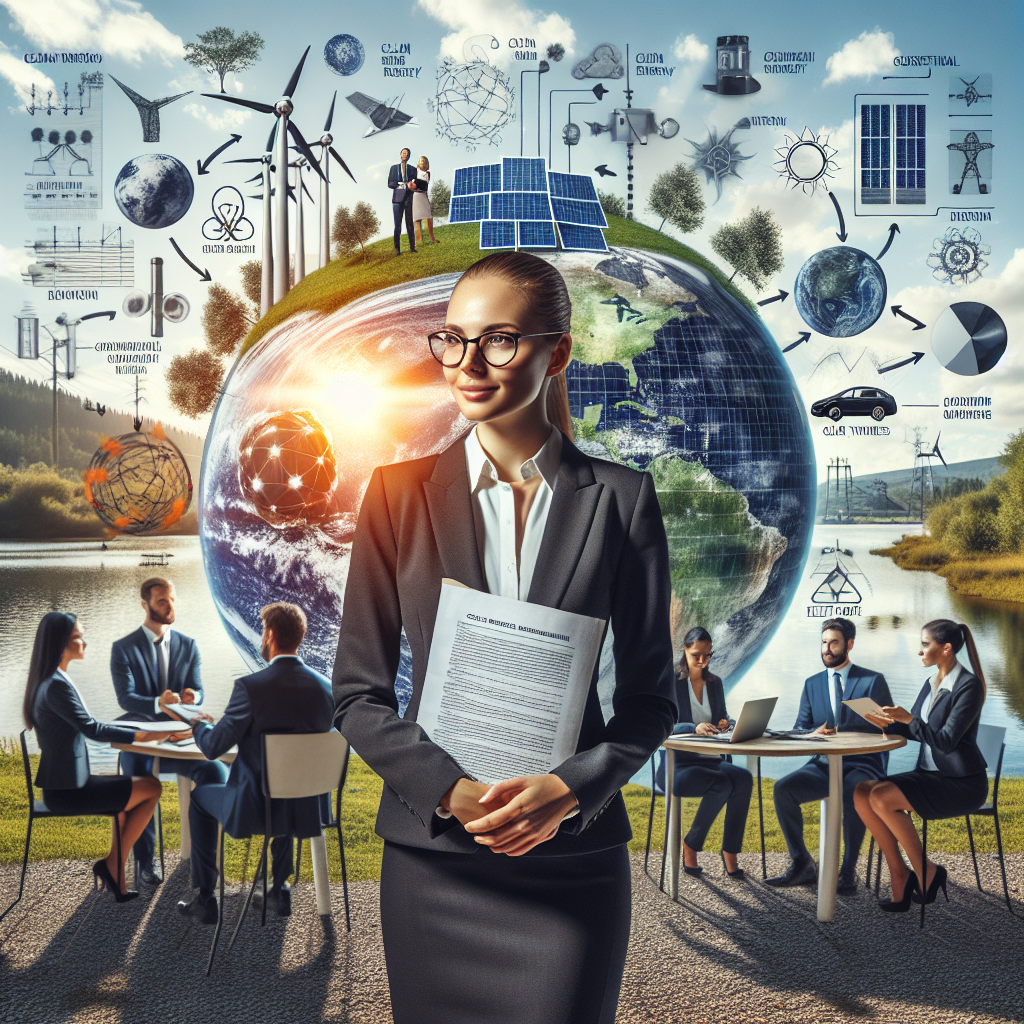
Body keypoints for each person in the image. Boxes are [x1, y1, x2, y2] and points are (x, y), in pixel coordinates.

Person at [333, 251, 677, 1024]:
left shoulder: (623, 501)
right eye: (452, 340)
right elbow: (357, 693)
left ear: (558, 351)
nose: (467, 364)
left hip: (572, 864)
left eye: (499, 340)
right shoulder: (394, 497)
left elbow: (653, 702)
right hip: (436, 863)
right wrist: (449, 791)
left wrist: (571, 790)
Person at [177, 602, 334, 924]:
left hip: (254, 809)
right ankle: (279, 888)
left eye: (263, 631)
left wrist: (198, 726)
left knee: (200, 797)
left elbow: (213, 748)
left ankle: (204, 896)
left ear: (271, 634)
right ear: (300, 637)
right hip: (306, 807)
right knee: (284, 785)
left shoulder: (251, 688)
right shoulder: (326, 689)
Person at [23, 612, 187, 901]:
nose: (84, 641)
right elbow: (93, 729)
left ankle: (114, 871)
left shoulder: (51, 679)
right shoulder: (57, 685)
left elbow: (89, 724)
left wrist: (135, 730)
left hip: (66, 785)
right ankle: (112, 866)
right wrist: (141, 735)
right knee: (152, 788)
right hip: (67, 792)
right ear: (61, 642)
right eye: (78, 636)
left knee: (127, 797)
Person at [854, 619, 989, 911]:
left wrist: (909, 720)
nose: (920, 651)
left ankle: (926, 872)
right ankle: (901, 872)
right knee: (863, 792)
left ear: (946, 648)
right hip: (929, 776)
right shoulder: (931, 684)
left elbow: (945, 741)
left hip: (961, 784)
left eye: (925, 644)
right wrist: (883, 723)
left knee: (880, 796)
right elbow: (916, 731)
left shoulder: (969, 687)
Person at [110, 577, 228, 885]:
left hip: (182, 741)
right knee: (137, 774)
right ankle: (146, 863)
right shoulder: (123, 648)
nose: (170, 606)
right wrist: (156, 703)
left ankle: (203, 866)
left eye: (172, 599)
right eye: (162, 601)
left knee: (214, 770)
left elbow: (199, 689)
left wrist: (194, 697)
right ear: (145, 605)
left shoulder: (188, 645)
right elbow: (126, 698)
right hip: (142, 741)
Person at [765, 617, 892, 895]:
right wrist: (813, 733)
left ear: (849, 644)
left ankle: (848, 870)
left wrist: (877, 724)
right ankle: (802, 864)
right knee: (782, 789)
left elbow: (888, 727)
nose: (827, 649)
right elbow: (801, 728)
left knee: (852, 791)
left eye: (833, 642)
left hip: (862, 765)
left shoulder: (872, 681)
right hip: (822, 765)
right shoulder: (812, 684)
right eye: (824, 642)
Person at [656, 627, 752, 878]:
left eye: (707, 655)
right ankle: (691, 846)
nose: (701, 661)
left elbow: (722, 716)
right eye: (696, 655)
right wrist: (693, 727)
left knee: (743, 779)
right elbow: (659, 726)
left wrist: (726, 723)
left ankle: (730, 852)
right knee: (721, 784)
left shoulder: (714, 683)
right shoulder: (670, 683)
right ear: (685, 651)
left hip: (710, 761)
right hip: (678, 767)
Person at [388, 147, 417, 255]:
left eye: (407, 153)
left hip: (408, 198)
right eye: (403, 153)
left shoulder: (413, 169)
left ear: (409, 156)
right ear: (400, 155)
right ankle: (397, 249)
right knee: (397, 225)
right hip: (397, 200)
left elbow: (415, 183)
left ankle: (412, 248)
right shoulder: (394, 168)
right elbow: (390, 184)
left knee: (409, 224)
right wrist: (404, 185)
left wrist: (411, 185)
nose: (405, 155)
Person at [412, 155, 437, 245]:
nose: (422, 161)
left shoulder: (428, 174)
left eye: (424, 160)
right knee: (417, 218)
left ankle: (432, 238)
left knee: (428, 217)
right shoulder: (414, 172)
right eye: (421, 160)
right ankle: (418, 241)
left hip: (423, 195)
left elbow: (425, 186)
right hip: (416, 195)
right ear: (418, 162)